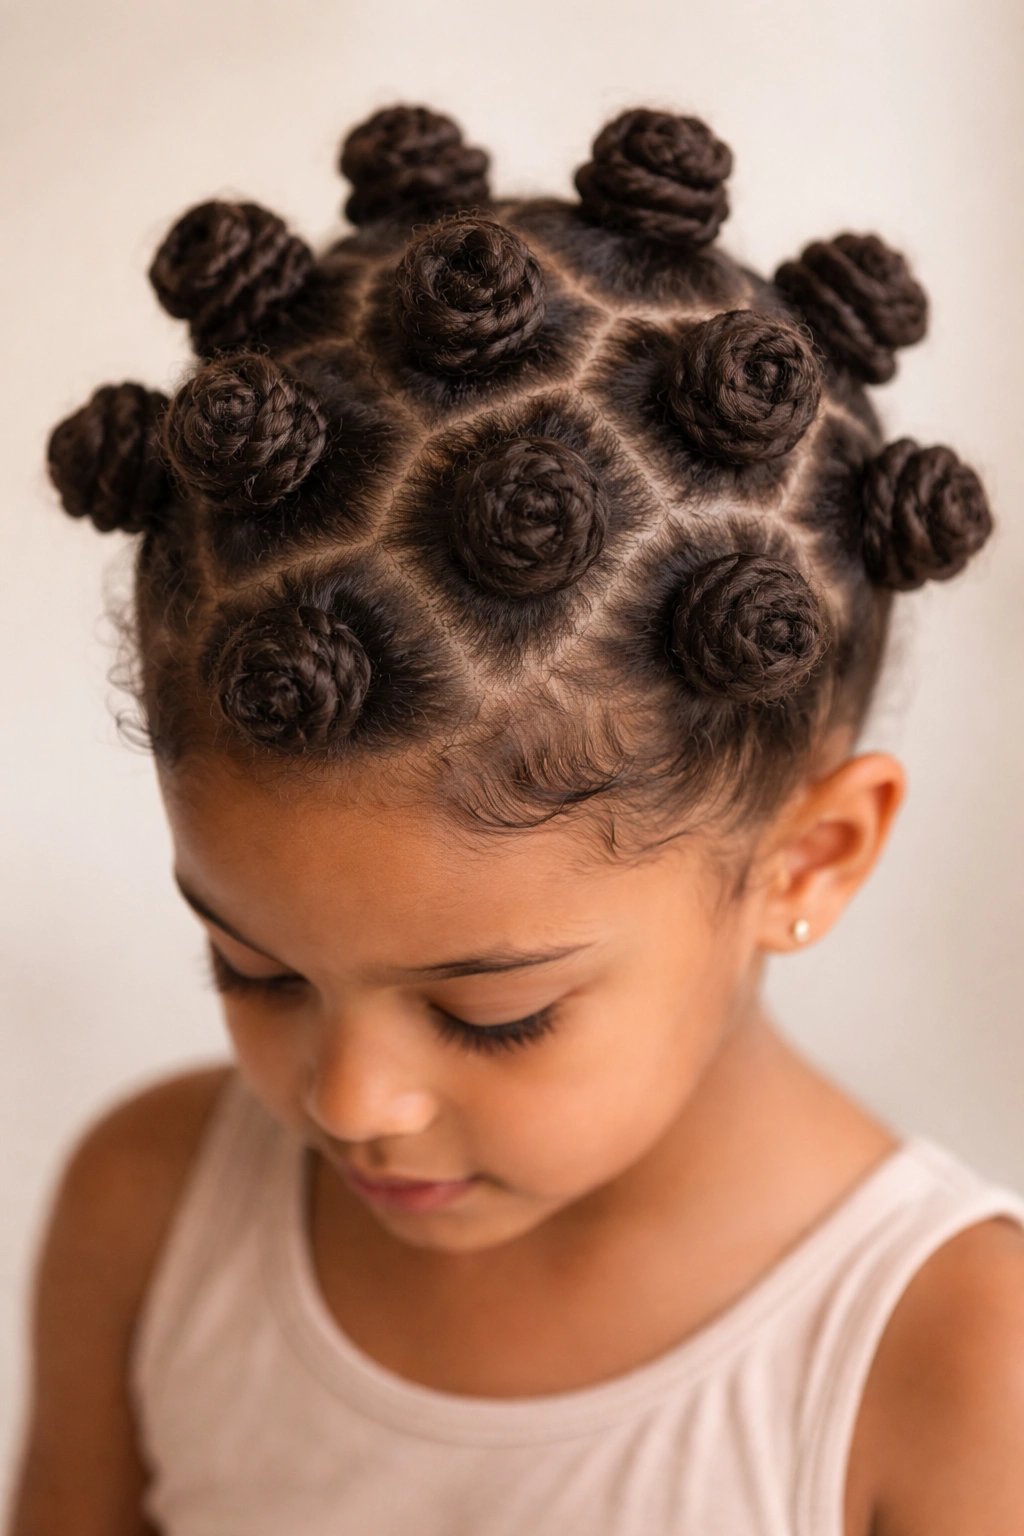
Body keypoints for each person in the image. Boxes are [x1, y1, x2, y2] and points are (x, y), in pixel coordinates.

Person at [11, 103, 1024, 1536]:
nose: (351, 1104)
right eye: (255, 970)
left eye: (494, 1015)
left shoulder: (951, 1364)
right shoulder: (150, 1211)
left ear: (811, 858)